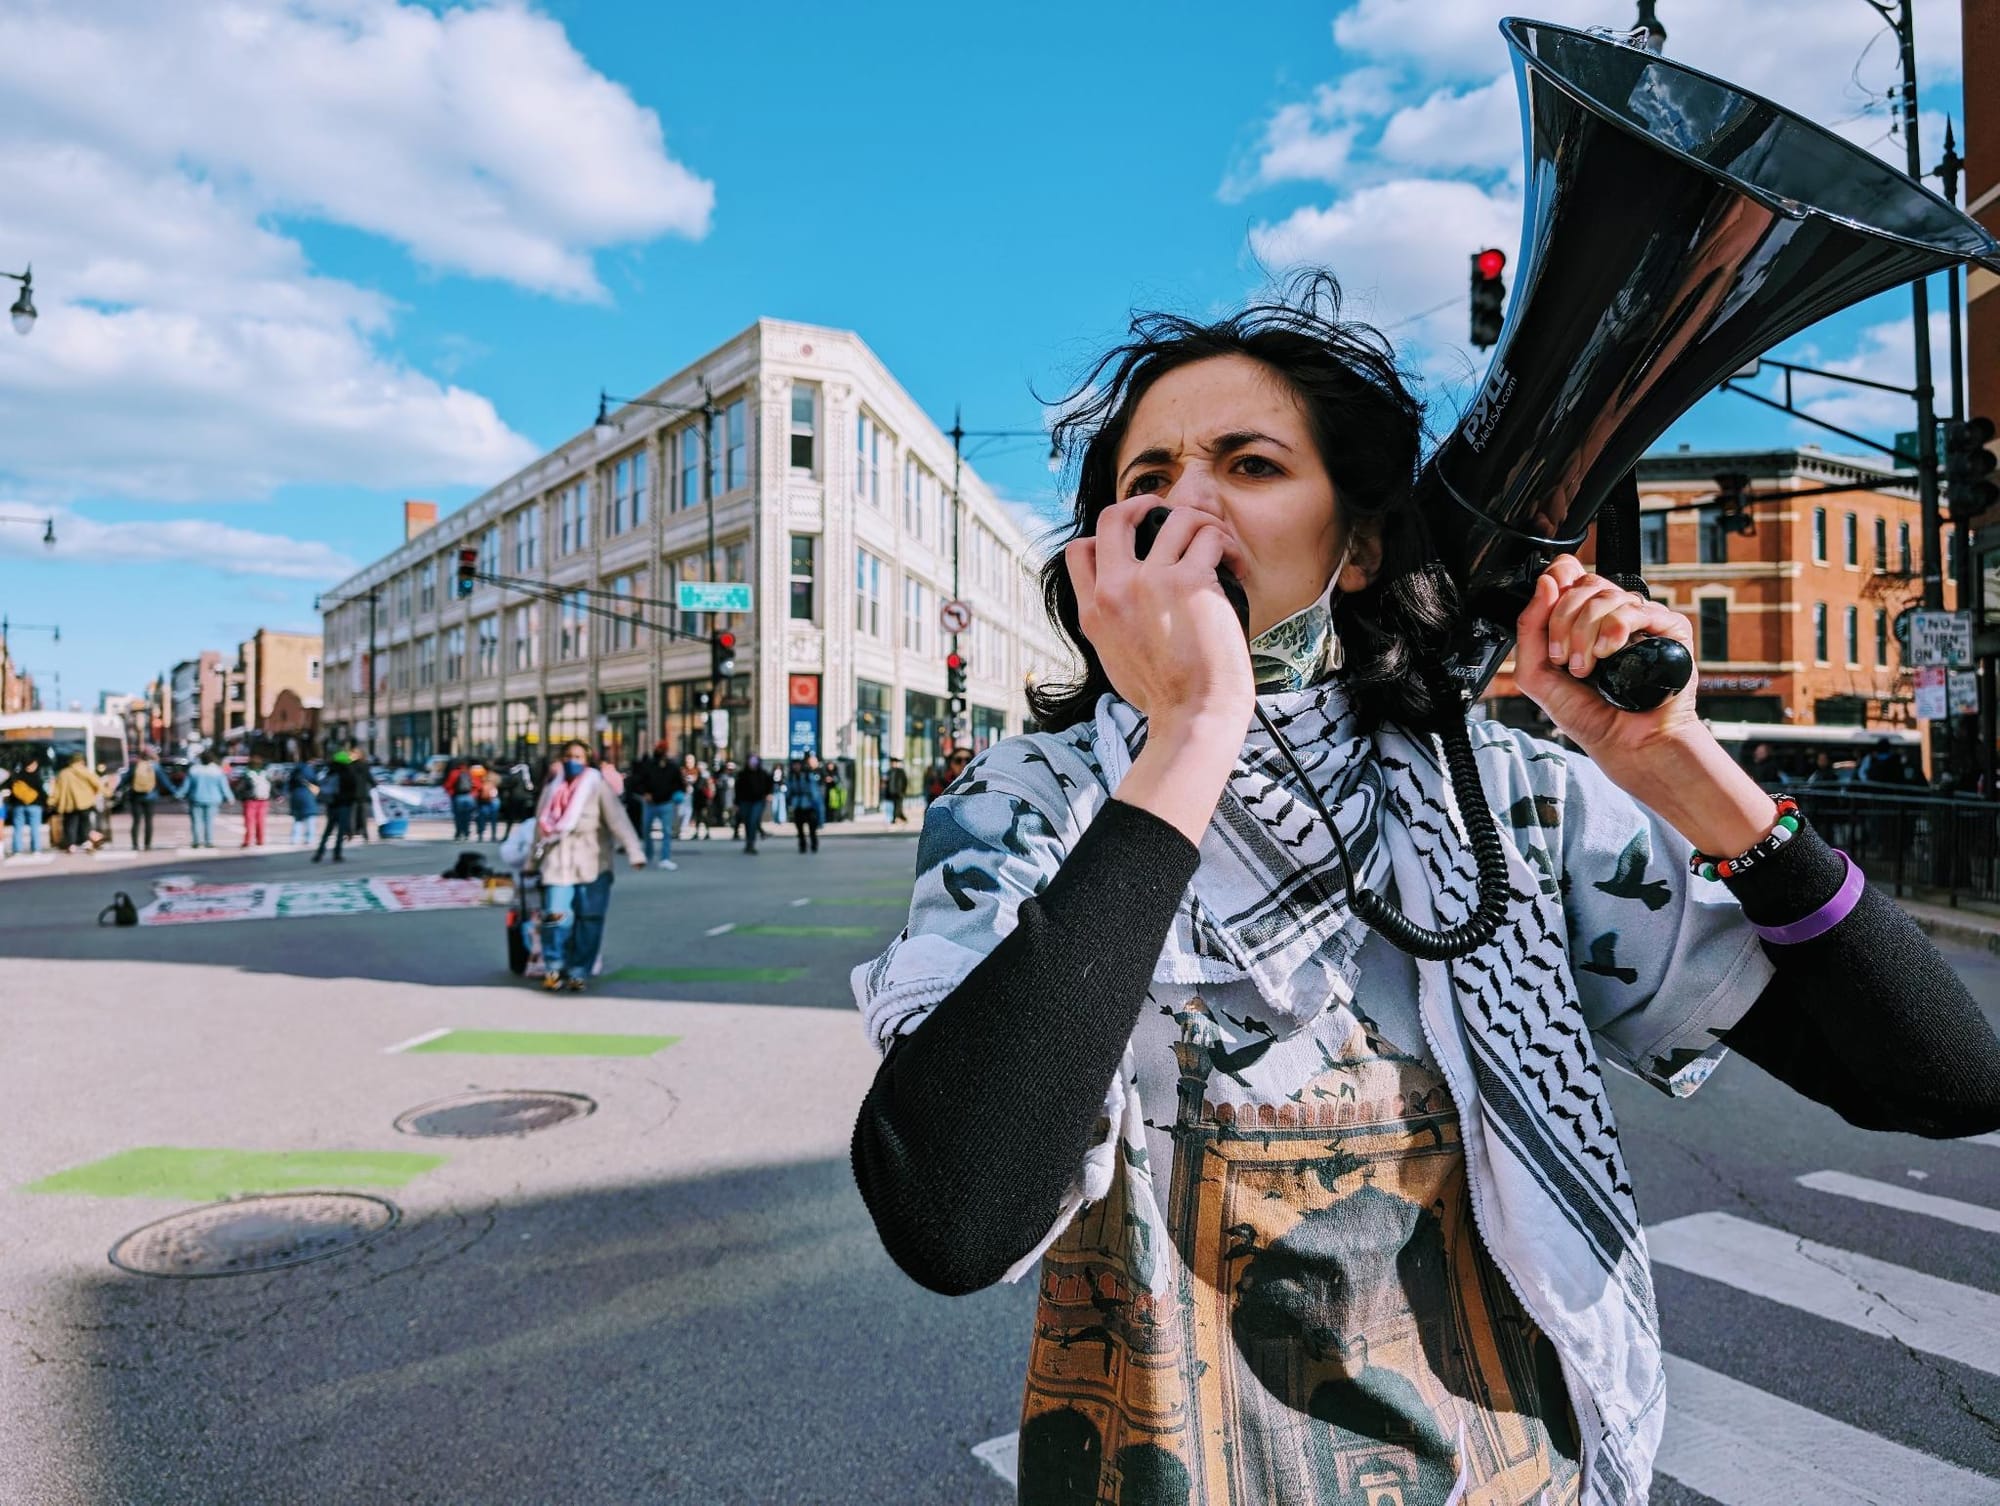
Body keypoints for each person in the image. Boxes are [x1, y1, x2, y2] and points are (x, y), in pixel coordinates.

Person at [847, 276, 2000, 1506]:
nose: (1186, 504)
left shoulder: (1502, 800)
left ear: (1362, 546)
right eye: (1146, 483)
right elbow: (952, 1219)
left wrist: (1680, 768)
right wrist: (1189, 734)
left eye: (1246, 465)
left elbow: (1939, 1079)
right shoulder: (1028, 803)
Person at [531, 740, 645, 993]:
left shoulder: (597, 787)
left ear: (587, 761)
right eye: (569, 756)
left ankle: (579, 969)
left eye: (579, 757)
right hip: (557, 864)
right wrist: (531, 861)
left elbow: (619, 821)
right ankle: (554, 965)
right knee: (555, 916)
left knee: (589, 919)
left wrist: (634, 852)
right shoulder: (552, 788)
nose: (573, 761)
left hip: (592, 865)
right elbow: (539, 828)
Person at [630, 741, 684, 870]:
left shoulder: (672, 767)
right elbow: (638, 782)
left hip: (665, 802)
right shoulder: (649, 765)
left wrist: (674, 794)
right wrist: (644, 793)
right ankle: (649, 855)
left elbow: (679, 784)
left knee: (666, 831)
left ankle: (664, 858)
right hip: (651, 802)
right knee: (647, 830)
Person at [166, 752, 234, 849]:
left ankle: (196, 841)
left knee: (196, 821)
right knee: (209, 821)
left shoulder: (194, 770)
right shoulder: (217, 771)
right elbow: (224, 786)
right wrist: (230, 798)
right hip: (213, 800)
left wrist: (177, 795)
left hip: (196, 798)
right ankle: (209, 841)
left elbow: (186, 786)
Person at [313, 748, 364, 862]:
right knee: (340, 831)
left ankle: (319, 853)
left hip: (331, 804)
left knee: (328, 830)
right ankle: (337, 853)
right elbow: (353, 790)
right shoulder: (348, 773)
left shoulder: (330, 772)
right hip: (344, 804)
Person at [50, 752, 107, 853]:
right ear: (81, 761)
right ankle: (87, 844)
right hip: (85, 803)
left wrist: (52, 801)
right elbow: (97, 784)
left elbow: (57, 790)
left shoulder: (63, 773)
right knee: (86, 824)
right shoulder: (86, 771)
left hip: (69, 804)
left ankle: (71, 845)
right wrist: (95, 793)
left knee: (70, 825)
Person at [121, 748, 162, 851]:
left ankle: (135, 845)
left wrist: (114, 790)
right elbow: (164, 780)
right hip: (150, 797)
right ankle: (147, 845)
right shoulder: (155, 767)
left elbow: (125, 780)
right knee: (149, 821)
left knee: (136, 821)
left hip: (136, 797)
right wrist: (175, 791)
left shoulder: (135, 766)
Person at [733, 753, 774, 854]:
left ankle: (751, 843)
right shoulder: (742, 774)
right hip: (745, 801)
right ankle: (748, 843)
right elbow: (737, 789)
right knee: (747, 822)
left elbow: (770, 784)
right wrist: (736, 803)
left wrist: (769, 794)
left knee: (753, 820)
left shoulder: (763, 774)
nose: (753, 764)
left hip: (758, 801)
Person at [786, 754, 826, 853]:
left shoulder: (808, 776)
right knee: (799, 827)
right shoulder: (791, 777)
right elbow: (789, 791)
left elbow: (814, 791)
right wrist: (789, 802)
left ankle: (814, 844)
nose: (796, 767)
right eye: (794, 765)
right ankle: (802, 844)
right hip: (797, 805)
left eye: (798, 765)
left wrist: (816, 804)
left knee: (812, 827)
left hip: (809, 804)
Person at [7, 754, 46, 854]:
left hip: (18, 806)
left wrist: (12, 804)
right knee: (34, 827)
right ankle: (36, 849)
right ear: (32, 764)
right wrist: (45, 803)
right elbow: (42, 793)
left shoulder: (17, 777)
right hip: (34, 806)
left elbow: (12, 792)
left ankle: (17, 850)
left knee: (17, 828)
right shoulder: (36, 777)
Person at [239, 754, 273, 847]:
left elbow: (241, 787)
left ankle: (248, 841)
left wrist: (240, 796)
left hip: (250, 800)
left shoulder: (247, 773)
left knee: (249, 822)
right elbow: (271, 786)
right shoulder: (264, 773)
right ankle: (260, 840)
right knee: (261, 821)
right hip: (264, 800)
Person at [287, 760, 321, 847]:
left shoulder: (294, 772)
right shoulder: (309, 771)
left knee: (297, 820)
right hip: (308, 797)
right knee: (310, 819)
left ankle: (295, 839)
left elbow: (289, 785)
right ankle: (309, 839)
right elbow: (316, 781)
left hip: (296, 797)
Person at [444, 757, 475, 840]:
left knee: (458, 816)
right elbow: (477, 785)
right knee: (467, 816)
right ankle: (467, 832)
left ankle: (459, 833)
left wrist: (452, 794)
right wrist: (473, 794)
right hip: (469, 797)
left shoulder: (454, 773)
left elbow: (447, 785)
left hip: (458, 797)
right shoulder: (470, 773)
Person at [473, 763, 502, 841]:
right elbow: (500, 785)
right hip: (494, 798)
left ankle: (480, 835)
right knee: (494, 818)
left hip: (483, 799)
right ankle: (493, 835)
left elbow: (476, 785)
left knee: (481, 818)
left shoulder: (481, 775)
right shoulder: (496, 776)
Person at [884, 758, 909, 823]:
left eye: (893, 763)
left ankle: (895, 818)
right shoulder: (889, 771)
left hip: (899, 792)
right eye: (891, 763)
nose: (892, 764)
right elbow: (887, 782)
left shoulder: (901, 771)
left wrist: (903, 791)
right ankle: (902, 817)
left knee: (898, 805)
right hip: (892, 792)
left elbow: (905, 781)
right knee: (896, 806)